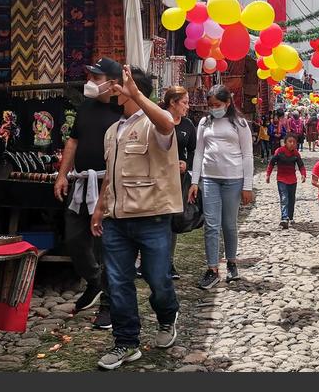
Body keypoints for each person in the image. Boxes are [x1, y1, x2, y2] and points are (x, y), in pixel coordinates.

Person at [90, 65, 181, 370]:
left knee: (158, 280)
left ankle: (168, 316)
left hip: (152, 217)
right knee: (118, 283)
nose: (112, 90)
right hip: (117, 219)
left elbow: (168, 124)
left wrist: (137, 94)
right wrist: (100, 208)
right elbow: (110, 174)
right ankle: (126, 342)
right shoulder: (112, 131)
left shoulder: (154, 124)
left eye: (119, 85)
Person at [54, 57, 123, 330]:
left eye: (97, 78)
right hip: (82, 183)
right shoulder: (86, 106)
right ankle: (94, 281)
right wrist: (62, 174)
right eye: (91, 77)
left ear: (113, 83)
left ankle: (108, 304)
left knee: (108, 248)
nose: (91, 82)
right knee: (73, 238)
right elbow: (73, 140)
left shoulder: (124, 110)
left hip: (111, 184)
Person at [189, 84, 255, 289]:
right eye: (210, 105)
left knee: (229, 224)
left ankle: (232, 262)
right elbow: (199, 152)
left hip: (233, 179)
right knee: (211, 225)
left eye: (217, 104)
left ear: (227, 103)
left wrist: (247, 185)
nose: (213, 108)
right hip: (209, 178)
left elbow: (247, 155)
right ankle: (212, 268)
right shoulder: (204, 123)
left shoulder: (239, 124)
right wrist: (194, 181)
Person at [159, 86, 196, 281]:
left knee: (173, 219)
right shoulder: (157, 120)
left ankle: (169, 262)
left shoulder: (188, 125)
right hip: (157, 179)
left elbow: (193, 151)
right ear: (172, 102)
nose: (187, 107)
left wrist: (186, 164)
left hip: (178, 180)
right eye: (185, 102)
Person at [266, 133, 306, 229]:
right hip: (281, 179)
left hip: (292, 180)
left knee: (291, 199)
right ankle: (284, 218)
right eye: (290, 141)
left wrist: (303, 175)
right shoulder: (279, 152)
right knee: (284, 198)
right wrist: (268, 175)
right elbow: (271, 164)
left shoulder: (296, 153)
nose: (292, 144)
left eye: (294, 142)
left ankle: (290, 217)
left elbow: (301, 165)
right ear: (285, 143)